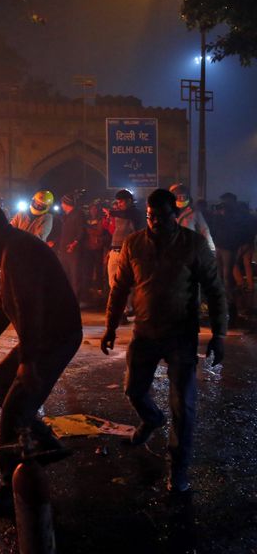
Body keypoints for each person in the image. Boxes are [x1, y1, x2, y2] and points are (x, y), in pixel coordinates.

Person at [101, 189, 227, 493]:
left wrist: (219, 335)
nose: (155, 221)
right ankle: (151, 419)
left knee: (183, 407)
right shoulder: (134, 243)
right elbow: (119, 289)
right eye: (150, 216)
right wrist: (110, 326)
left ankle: (178, 469)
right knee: (134, 390)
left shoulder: (193, 244)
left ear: (175, 214)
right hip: (144, 333)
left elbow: (215, 289)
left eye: (162, 216)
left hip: (181, 336)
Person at [0, 201, 82, 516]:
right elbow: (6, 307)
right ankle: (47, 441)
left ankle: (8, 489)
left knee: (15, 410)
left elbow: (29, 310)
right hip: (42, 336)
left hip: (55, 337)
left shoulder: (19, 253)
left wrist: (28, 361)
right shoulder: (6, 253)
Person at [104, 189, 144, 321]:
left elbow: (129, 214)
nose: (119, 204)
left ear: (129, 201)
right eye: (117, 202)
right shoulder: (120, 215)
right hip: (114, 250)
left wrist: (112, 212)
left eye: (121, 202)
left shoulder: (134, 213)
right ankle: (120, 308)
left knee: (124, 282)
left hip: (127, 251)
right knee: (112, 281)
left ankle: (125, 310)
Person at [169, 183, 215, 252]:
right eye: (178, 196)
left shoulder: (195, 212)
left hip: (189, 249)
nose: (181, 199)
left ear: (188, 197)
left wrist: (211, 249)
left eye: (183, 196)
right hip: (171, 249)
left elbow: (205, 230)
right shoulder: (167, 212)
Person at [58, 193, 86, 300]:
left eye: (62, 203)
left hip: (73, 251)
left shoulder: (78, 214)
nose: (61, 205)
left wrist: (74, 244)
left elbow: (81, 232)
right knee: (65, 276)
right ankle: (66, 298)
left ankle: (75, 300)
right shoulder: (66, 216)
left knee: (75, 277)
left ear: (66, 203)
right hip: (64, 250)